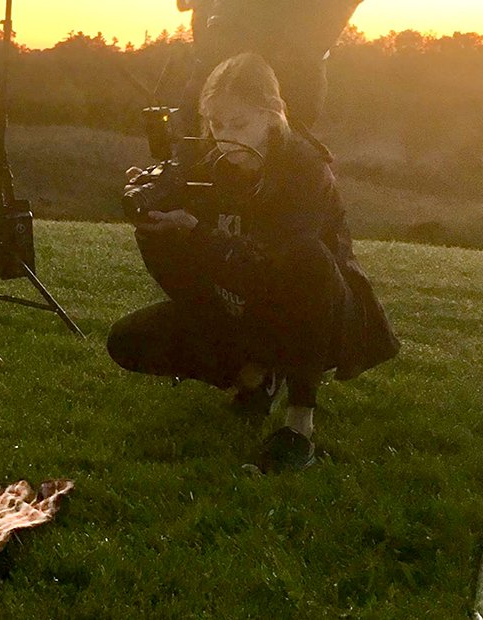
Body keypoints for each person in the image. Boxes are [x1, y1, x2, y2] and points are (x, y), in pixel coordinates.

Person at [109, 53, 398, 471]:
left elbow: (279, 265)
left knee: (307, 257)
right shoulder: (212, 164)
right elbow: (195, 277)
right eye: (217, 125)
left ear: (273, 115)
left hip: (317, 313)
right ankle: (256, 374)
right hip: (244, 306)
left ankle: (299, 423)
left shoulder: (304, 168)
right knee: (127, 340)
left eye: (240, 124)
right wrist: (157, 221)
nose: (227, 138)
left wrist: (198, 233)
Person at [175, 0, 362, 132]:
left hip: (288, 80)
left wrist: (302, 48)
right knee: (195, 145)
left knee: (284, 155)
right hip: (213, 74)